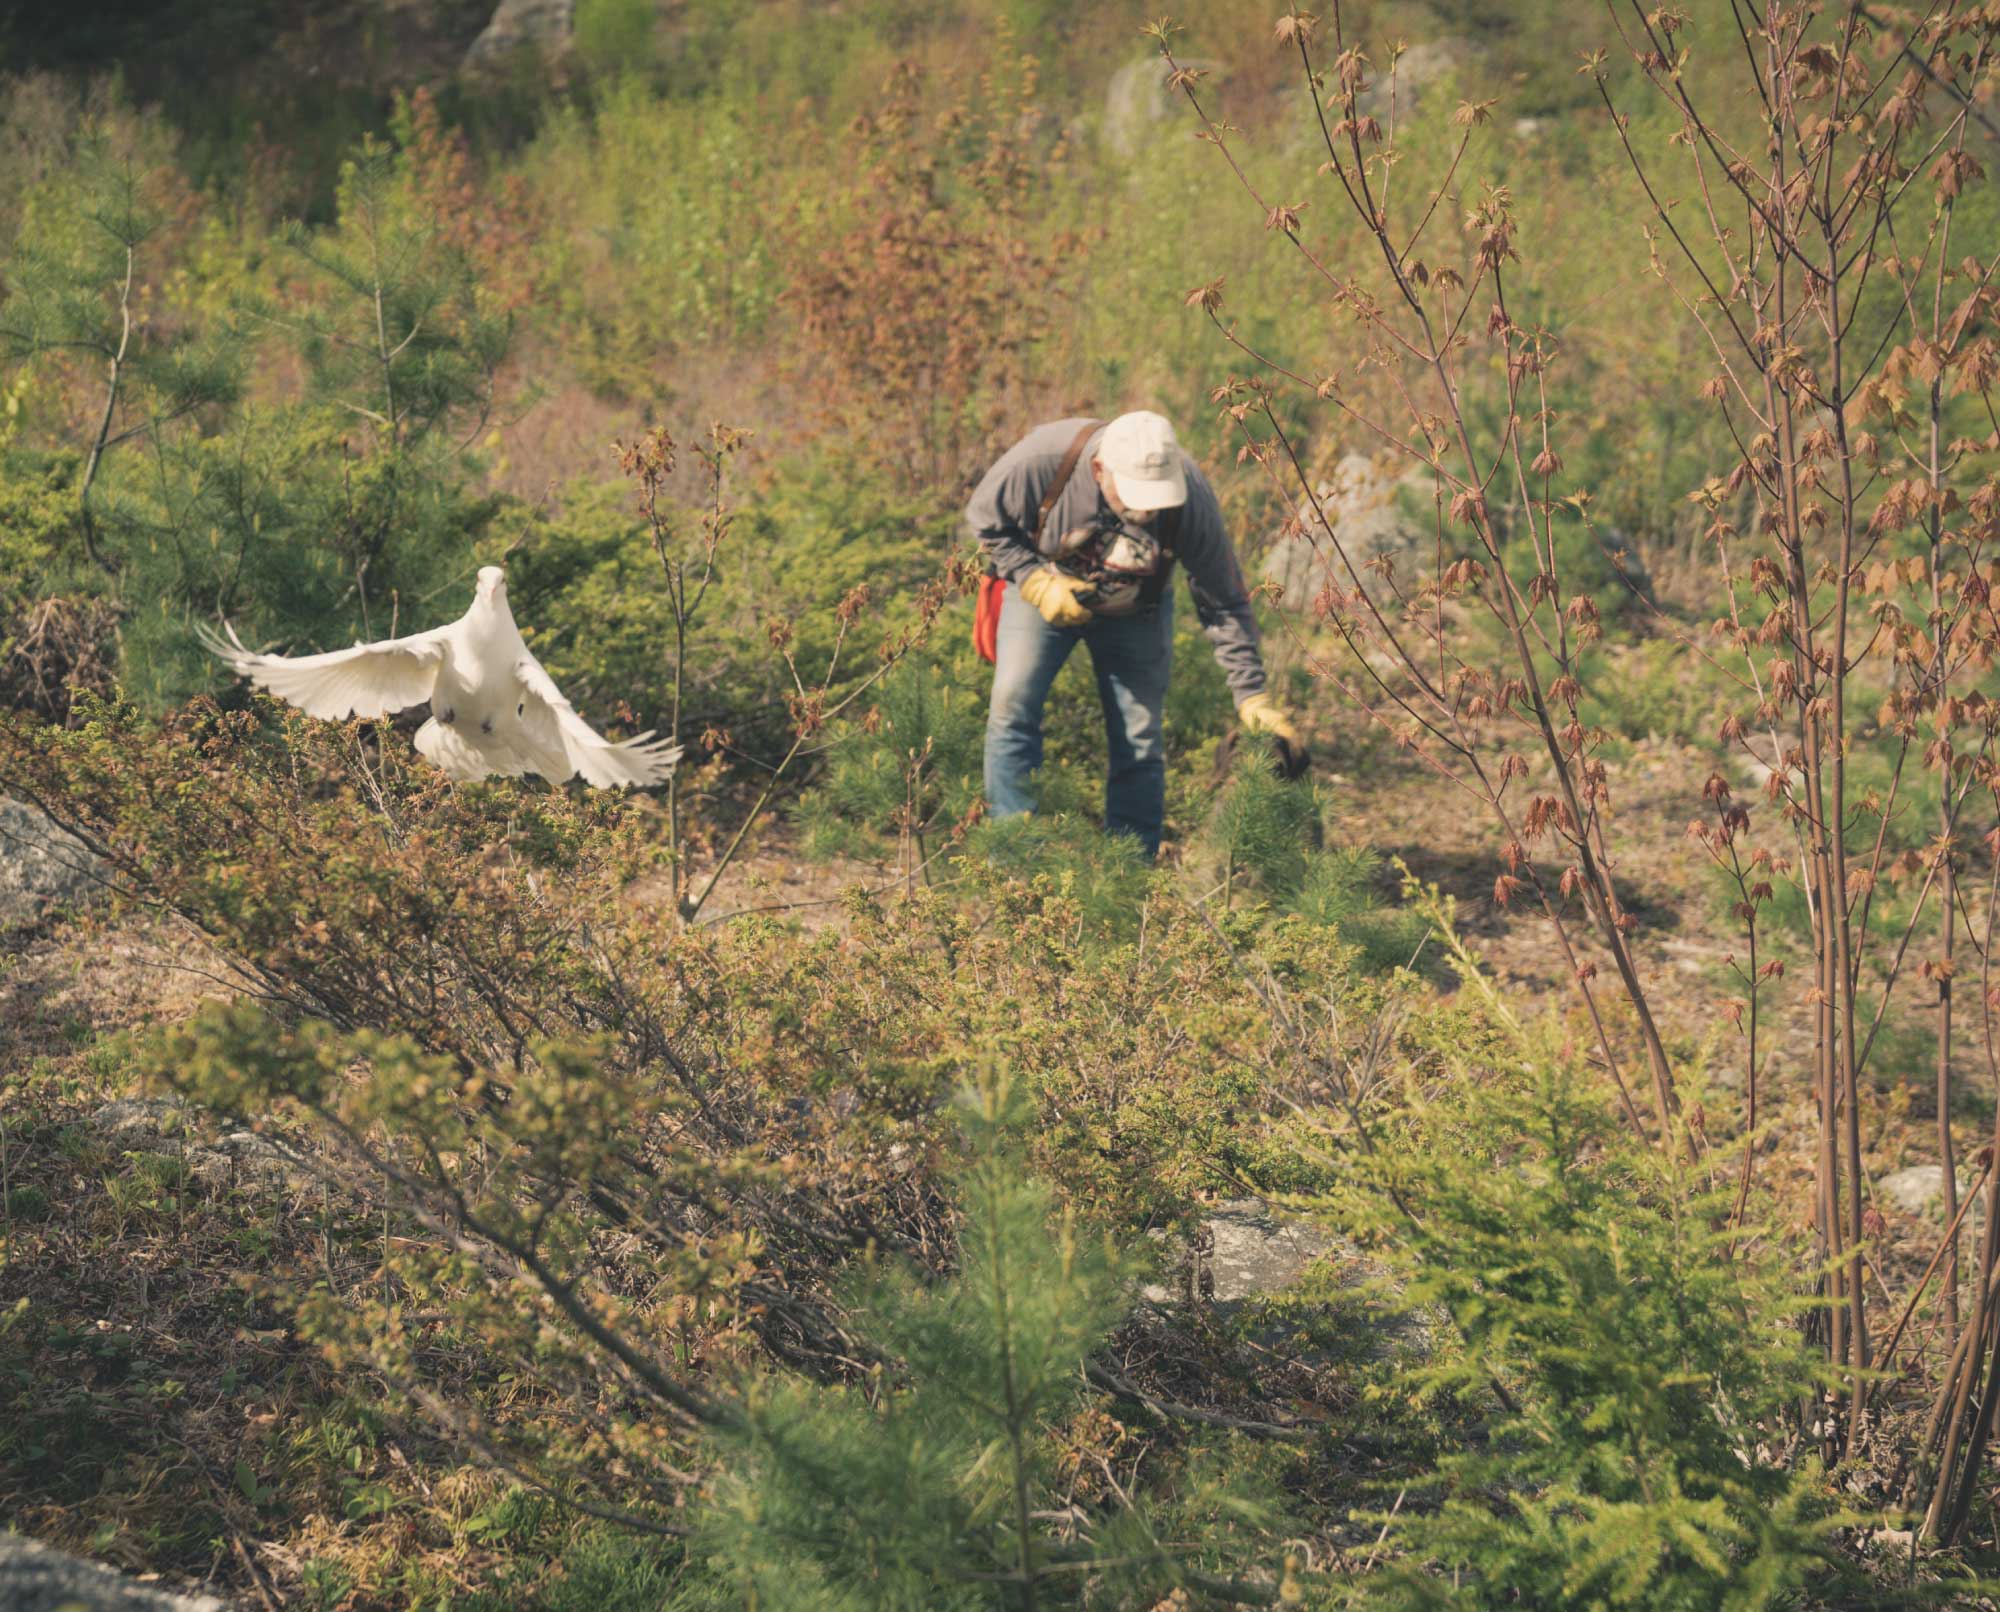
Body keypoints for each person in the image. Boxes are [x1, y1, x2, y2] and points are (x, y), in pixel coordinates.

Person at [966, 409, 1304, 858]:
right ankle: (1011, 856)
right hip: (1042, 595)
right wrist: (1033, 578)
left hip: (1137, 611)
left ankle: (1128, 868)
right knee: (1011, 709)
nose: (1146, 511)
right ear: (1100, 470)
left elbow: (1222, 598)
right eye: (1133, 497)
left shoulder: (1190, 497)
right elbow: (986, 519)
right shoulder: (1044, 459)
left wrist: (1252, 696)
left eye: (1155, 499)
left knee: (1140, 738)